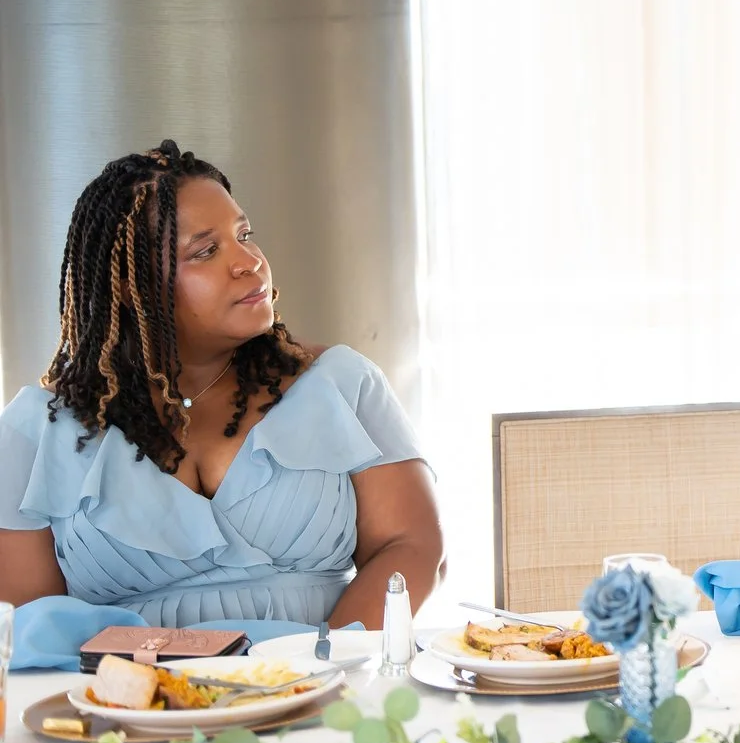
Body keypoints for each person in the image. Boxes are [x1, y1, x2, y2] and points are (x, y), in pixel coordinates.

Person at [0, 142, 444, 628]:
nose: (249, 261)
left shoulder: (339, 384)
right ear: (131, 286)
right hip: (133, 700)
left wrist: (328, 668)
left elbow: (414, 547)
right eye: (206, 251)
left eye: (244, 234)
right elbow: (29, 625)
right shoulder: (36, 432)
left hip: (328, 691)